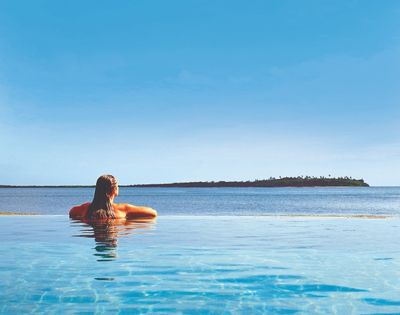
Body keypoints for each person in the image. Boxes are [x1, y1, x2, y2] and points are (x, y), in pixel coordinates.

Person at [69, 174, 157, 220]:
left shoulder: (84, 208)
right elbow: (153, 213)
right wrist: (128, 223)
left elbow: (71, 212)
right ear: (114, 189)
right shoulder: (123, 209)